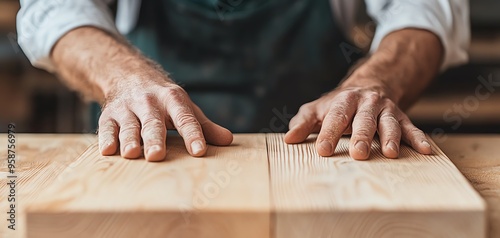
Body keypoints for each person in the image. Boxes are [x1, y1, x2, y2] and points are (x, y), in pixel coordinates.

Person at [17, 0, 469, 162]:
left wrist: (376, 82)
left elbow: (425, 7)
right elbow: (55, 9)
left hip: (322, 155)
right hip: (144, 150)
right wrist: (123, 79)